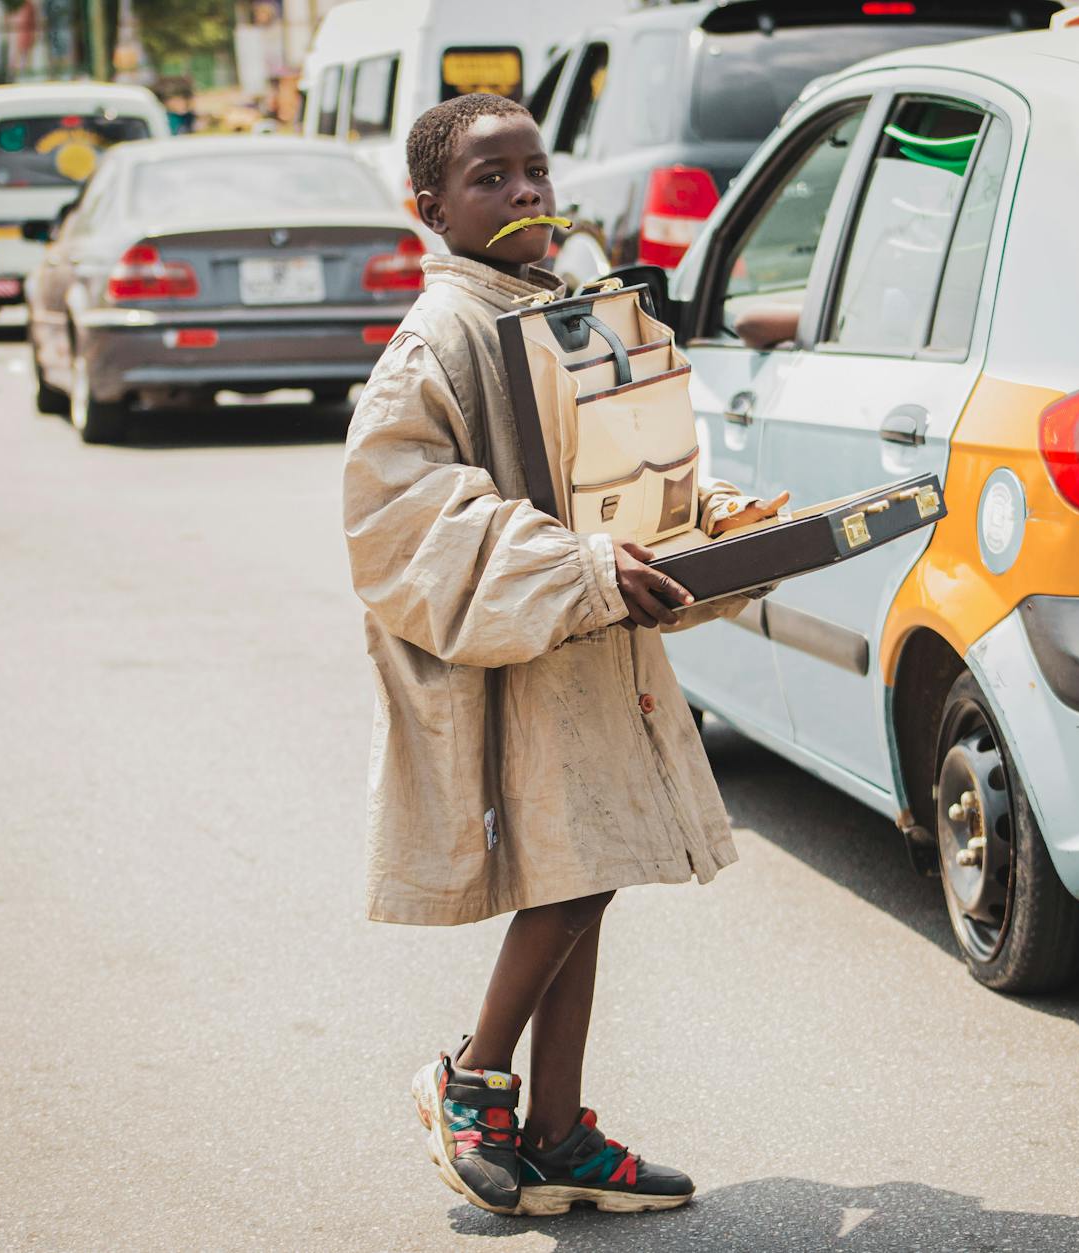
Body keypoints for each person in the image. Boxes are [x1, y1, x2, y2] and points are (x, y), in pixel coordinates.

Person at [342, 93, 786, 1220]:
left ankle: (555, 1131)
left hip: (592, 644)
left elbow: (634, 474)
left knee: (580, 872)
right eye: (489, 179)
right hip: (521, 649)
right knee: (574, 871)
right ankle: (472, 1083)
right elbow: (399, 517)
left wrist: (710, 520)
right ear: (428, 208)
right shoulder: (434, 340)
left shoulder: (572, 312)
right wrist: (574, 567)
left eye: (534, 170)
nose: (524, 193)